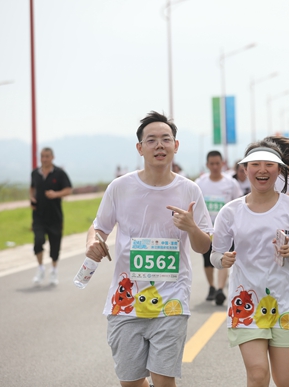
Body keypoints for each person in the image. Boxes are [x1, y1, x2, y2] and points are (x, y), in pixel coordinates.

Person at [84, 111, 212, 387]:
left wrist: (191, 228)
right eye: (151, 140)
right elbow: (99, 227)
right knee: (131, 381)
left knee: (164, 380)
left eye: (166, 139)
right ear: (140, 148)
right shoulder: (120, 187)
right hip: (126, 301)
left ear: (176, 146)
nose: (159, 145)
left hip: (172, 299)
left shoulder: (190, 191)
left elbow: (204, 247)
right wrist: (93, 242)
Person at [211, 136, 289, 387]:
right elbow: (215, 256)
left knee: (285, 380)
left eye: (269, 165)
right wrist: (223, 259)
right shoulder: (230, 212)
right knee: (258, 374)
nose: (262, 170)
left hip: (286, 302)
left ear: (279, 169)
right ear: (245, 169)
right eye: (255, 164)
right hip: (247, 303)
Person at [195, 151, 243, 304]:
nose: (215, 167)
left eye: (218, 163)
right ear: (207, 165)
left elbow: (239, 204)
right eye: (212, 164)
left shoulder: (231, 183)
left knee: (224, 257)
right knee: (208, 260)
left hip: (226, 230)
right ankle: (212, 286)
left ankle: (220, 289)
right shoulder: (200, 183)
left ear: (222, 164)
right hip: (206, 230)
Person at [30, 147, 72, 285]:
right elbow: (32, 188)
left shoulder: (59, 173)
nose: (44, 159)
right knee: (38, 241)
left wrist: (56, 194)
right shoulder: (35, 173)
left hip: (55, 217)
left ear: (52, 157)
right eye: (42, 156)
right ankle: (41, 268)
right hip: (38, 217)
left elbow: (68, 189)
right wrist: (32, 198)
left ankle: (53, 271)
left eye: (47, 156)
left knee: (55, 246)